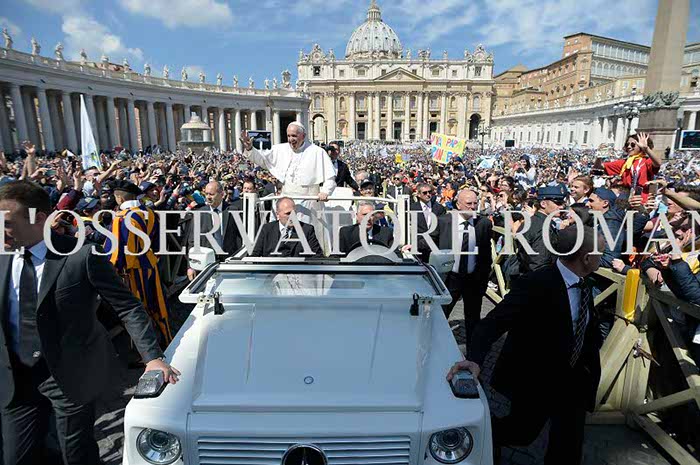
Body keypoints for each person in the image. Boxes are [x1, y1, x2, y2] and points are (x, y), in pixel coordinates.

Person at [0, 180, 180, 465]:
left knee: (76, 455)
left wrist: (153, 358)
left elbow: (127, 306)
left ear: (39, 219)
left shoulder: (82, 255)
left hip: (69, 376)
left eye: (7, 223)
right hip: (14, 381)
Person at [447, 224, 603, 465]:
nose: (603, 257)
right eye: (600, 252)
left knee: (568, 446)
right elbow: (492, 324)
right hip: (537, 380)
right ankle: (476, 439)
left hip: (573, 382)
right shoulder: (536, 283)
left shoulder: (584, 282)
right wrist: (474, 360)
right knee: (521, 432)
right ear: (586, 258)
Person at [240, 122, 336, 247]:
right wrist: (249, 148)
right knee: (282, 235)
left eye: (294, 136)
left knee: (307, 237)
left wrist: (325, 192)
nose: (291, 139)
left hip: (309, 201)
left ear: (303, 136)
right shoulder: (280, 149)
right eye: (289, 136)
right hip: (286, 200)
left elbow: (330, 177)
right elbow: (262, 159)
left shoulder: (317, 152)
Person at [107, 180, 173, 347]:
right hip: (150, 265)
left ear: (120, 199)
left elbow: (115, 253)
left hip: (131, 272)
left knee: (136, 311)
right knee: (156, 305)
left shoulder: (121, 218)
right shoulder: (150, 213)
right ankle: (166, 340)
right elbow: (158, 244)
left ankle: (144, 350)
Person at [437, 190, 493, 348]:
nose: (473, 207)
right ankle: (435, 346)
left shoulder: (484, 223)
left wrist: (483, 280)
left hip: (474, 279)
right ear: (458, 204)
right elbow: (430, 244)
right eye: (469, 203)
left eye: (475, 203)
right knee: (440, 314)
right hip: (450, 278)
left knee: (473, 318)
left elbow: (486, 253)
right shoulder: (443, 222)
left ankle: (472, 353)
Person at [186, 181, 241, 280]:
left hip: (229, 263)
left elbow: (240, 237)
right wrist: (190, 266)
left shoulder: (233, 210)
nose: (208, 197)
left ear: (222, 194)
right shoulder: (200, 213)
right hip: (206, 265)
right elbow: (192, 242)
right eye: (206, 194)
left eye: (211, 194)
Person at [251, 197, 322, 257]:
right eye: (288, 213)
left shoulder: (307, 230)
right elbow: (254, 255)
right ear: (277, 214)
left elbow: (318, 256)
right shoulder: (266, 229)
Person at [603, 132, 662, 201]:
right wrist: (599, 155)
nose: (629, 147)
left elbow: (658, 163)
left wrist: (646, 149)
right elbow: (600, 167)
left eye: (633, 145)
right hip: (626, 198)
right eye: (627, 144)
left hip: (642, 199)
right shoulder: (625, 163)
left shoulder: (646, 161)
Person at [410, 182, 446, 262]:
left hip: (435, 247)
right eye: (425, 193)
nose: (428, 194)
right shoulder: (412, 208)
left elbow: (442, 228)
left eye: (430, 192)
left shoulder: (439, 208)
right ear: (418, 194)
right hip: (418, 248)